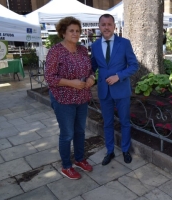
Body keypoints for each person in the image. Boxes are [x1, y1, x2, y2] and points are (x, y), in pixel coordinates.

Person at [44, 17, 95, 180]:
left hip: (81, 97)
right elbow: (49, 77)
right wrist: (71, 83)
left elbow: (90, 70)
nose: (75, 33)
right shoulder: (55, 51)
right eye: (71, 30)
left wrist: (91, 79)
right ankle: (66, 166)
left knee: (80, 131)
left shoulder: (82, 49)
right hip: (63, 98)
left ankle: (79, 159)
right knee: (67, 134)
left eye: (77, 31)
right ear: (64, 32)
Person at [91, 14, 139, 166]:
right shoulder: (95, 46)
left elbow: (134, 66)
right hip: (104, 91)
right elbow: (92, 66)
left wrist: (119, 76)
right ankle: (109, 151)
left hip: (121, 89)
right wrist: (89, 76)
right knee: (107, 123)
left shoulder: (124, 43)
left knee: (125, 121)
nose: (106, 27)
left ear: (114, 26)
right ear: (99, 26)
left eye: (109, 24)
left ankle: (125, 150)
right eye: (103, 24)